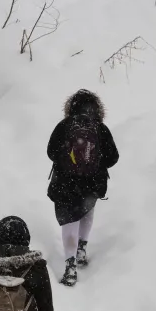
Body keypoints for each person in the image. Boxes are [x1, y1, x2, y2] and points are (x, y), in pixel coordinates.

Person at [46, 89, 119, 286]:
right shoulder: (100, 128)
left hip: (64, 184)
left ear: (71, 107)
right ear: (97, 108)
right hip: (91, 184)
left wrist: (67, 162)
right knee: (86, 211)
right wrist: (94, 164)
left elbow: (51, 152)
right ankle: (81, 249)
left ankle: (70, 266)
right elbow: (113, 157)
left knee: (69, 221)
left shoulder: (64, 126)